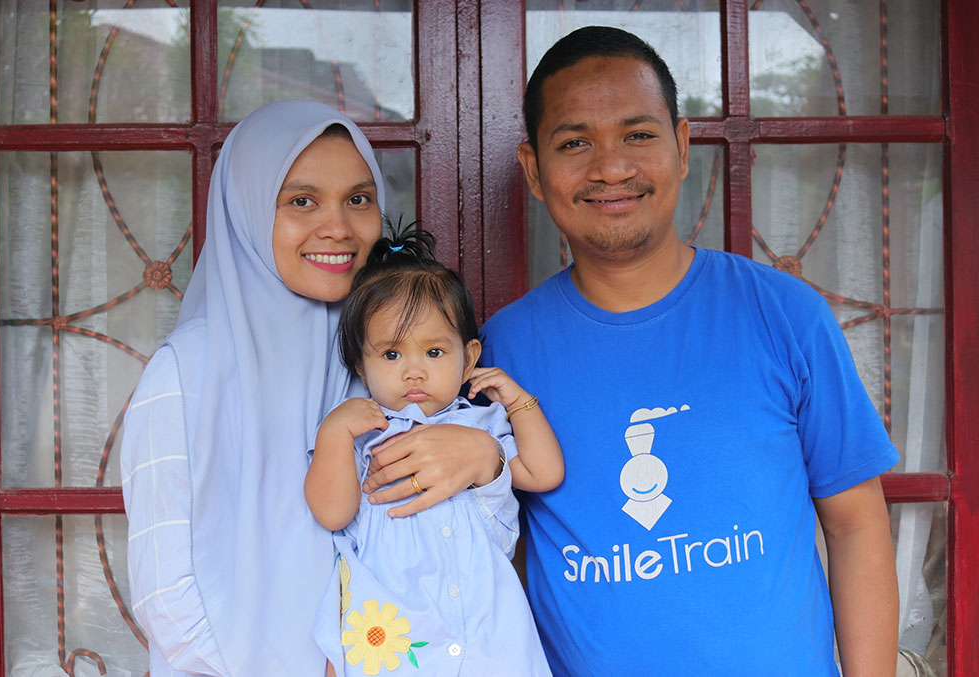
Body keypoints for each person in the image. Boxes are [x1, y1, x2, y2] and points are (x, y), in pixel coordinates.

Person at [480, 26, 899, 676]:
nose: (611, 166)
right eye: (574, 142)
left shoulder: (784, 316)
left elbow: (855, 524)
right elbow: (491, 546)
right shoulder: (503, 353)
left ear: (681, 146)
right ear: (534, 170)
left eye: (637, 135)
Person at [120, 100, 505, 677]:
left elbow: (456, 542)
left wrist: (489, 457)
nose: (339, 227)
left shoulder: (390, 355)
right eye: (301, 201)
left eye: (358, 199)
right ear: (247, 211)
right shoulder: (188, 371)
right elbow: (166, 589)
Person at [306, 226, 562, 676]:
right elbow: (331, 514)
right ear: (359, 367)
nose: (414, 371)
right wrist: (332, 436)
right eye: (391, 355)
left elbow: (544, 473)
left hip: (488, 641)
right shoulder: (362, 434)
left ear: (469, 358)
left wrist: (518, 401)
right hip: (394, 641)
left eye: (435, 351)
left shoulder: (483, 425)